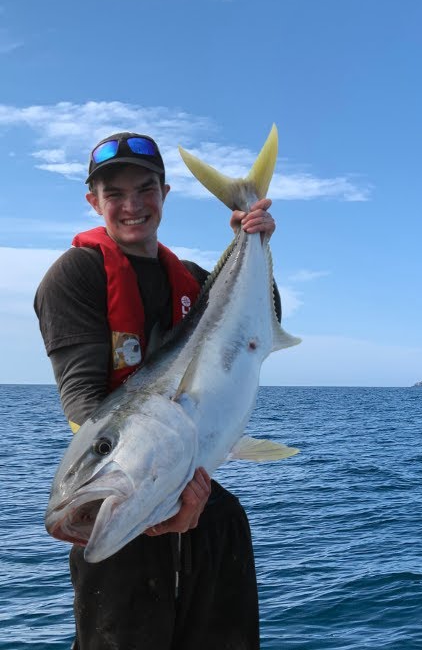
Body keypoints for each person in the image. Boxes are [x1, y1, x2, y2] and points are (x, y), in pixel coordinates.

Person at [33, 131, 276, 650]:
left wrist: (254, 238)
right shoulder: (74, 277)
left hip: (197, 496)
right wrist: (155, 504)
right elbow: (85, 408)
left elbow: (263, 318)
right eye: (114, 193)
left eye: (144, 189)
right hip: (129, 513)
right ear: (92, 201)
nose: (131, 205)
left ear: (165, 193)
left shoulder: (190, 279)